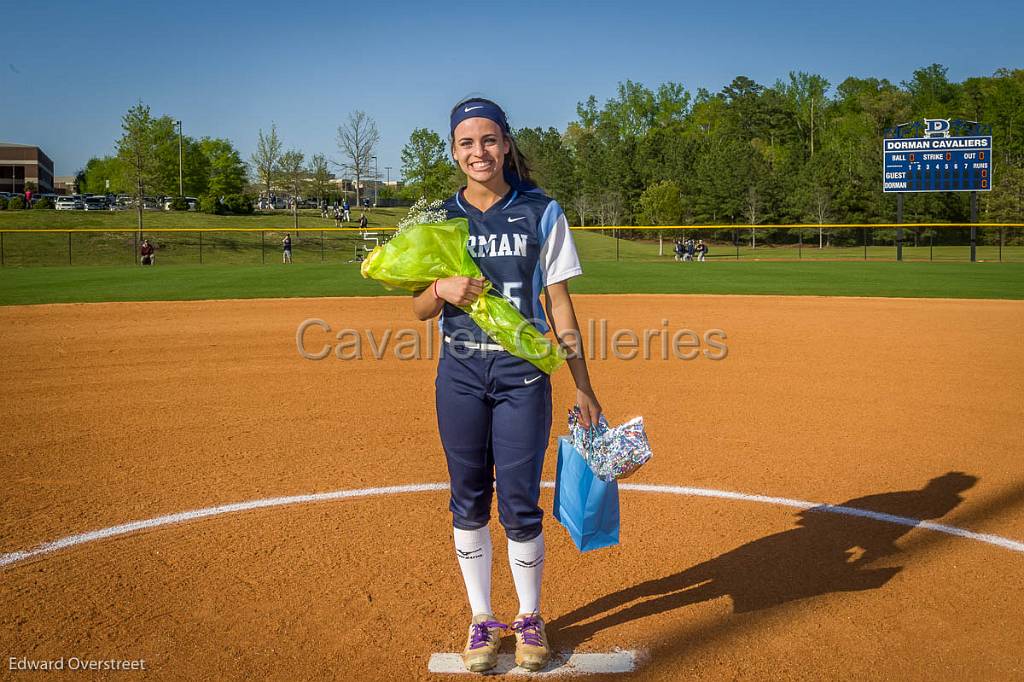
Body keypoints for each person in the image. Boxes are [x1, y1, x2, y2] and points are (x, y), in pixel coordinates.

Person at [411, 98, 602, 674]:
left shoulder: (541, 211)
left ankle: (529, 614)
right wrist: (440, 288)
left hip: (523, 377)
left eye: (489, 140)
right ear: (453, 150)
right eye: (466, 143)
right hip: (462, 375)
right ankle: (481, 616)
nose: (479, 152)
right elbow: (418, 308)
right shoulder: (441, 218)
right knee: (467, 496)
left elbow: (560, 305)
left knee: (519, 502)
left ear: (507, 144)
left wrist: (584, 387)